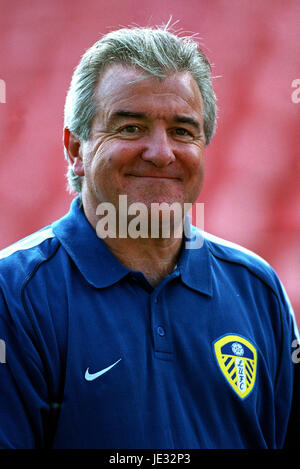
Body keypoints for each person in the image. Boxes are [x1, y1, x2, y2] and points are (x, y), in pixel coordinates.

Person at [0, 25, 299, 450]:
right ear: (75, 149)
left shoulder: (257, 291)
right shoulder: (14, 295)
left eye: (182, 131)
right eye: (130, 128)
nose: (161, 152)